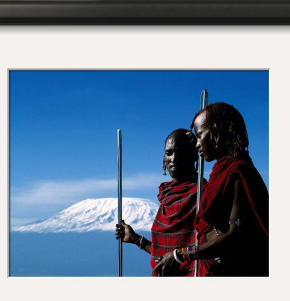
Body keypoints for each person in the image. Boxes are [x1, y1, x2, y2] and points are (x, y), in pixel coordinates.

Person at [153, 102, 269, 276]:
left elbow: (235, 237)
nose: (197, 144)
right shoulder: (221, 172)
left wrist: (180, 255)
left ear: (216, 133)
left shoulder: (238, 172)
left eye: (199, 136)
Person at [115, 128, 204, 276]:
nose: (174, 159)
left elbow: (212, 247)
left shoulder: (203, 194)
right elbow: (164, 255)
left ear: (193, 156)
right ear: (164, 158)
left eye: (180, 152)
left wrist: (178, 257)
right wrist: (135, 239)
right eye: (169, 153)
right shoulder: (166, 196)